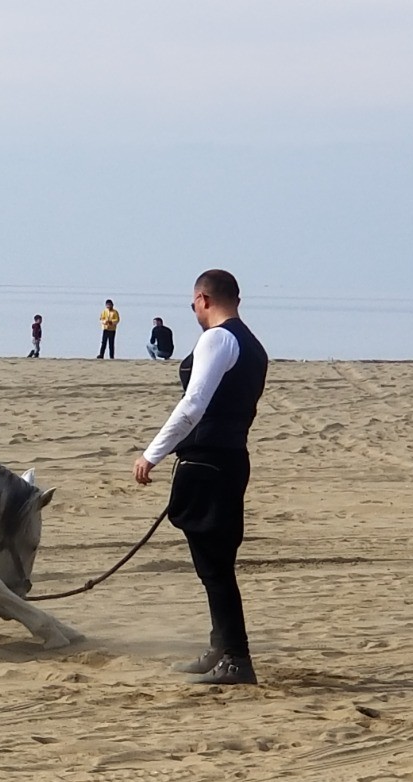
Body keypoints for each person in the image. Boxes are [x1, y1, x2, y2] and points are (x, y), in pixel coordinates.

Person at [132, 269, 268, 685]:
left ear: (204, 299)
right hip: (229, 458)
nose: (193, 310)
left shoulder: (218, 338)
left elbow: (193, 406)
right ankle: (220, 647)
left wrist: (151, 454)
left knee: (215, 566)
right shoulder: (253, 345)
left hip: (210, 461)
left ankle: (236, 659)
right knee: (215, 564)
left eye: (193, 303)